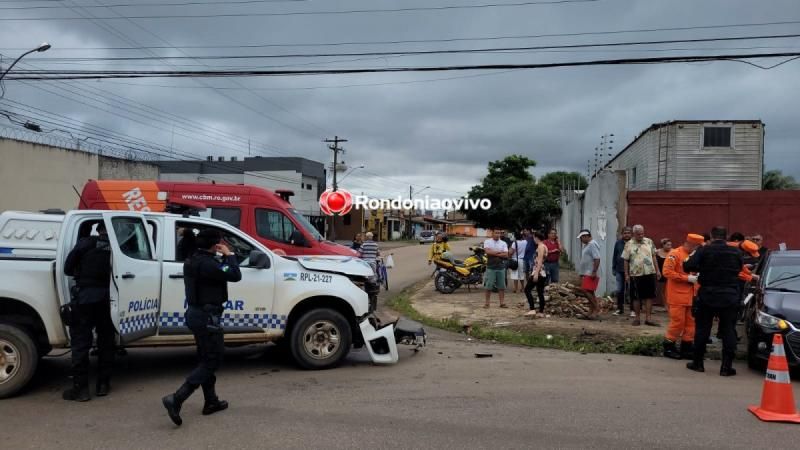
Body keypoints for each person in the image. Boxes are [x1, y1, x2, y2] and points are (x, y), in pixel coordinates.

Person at [163, 229, 242, 426]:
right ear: (215, 245)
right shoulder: (208, 264)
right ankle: (177, 398)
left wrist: (223, 257)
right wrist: (229, 255)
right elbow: (234, 274)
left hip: (196, 314)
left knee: (206, 358)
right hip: (207, 317)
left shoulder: (193, 259)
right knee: (212, 361)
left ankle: (211, 402)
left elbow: (220, 272)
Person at [684, 226, 753, 376]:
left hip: (708, 294)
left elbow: (688, 266)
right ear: (726, 236)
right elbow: (740, 268)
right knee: (728, 330)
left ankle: (698, 363)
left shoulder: (704, 250)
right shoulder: (736, 251)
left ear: (711, 236)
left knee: (702, 329)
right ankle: (726, 367)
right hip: (729, 295)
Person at [62, 221, 115, 401]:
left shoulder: (85, 243)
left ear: (98, 230)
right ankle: (103, 385)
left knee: (81, 344)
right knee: (106, 342)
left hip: (85, 299)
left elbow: (67, 269)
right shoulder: (119, 245)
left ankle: (81, 389)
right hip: (109, 299)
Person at [661, 234, 704, 359]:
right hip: (677, 296)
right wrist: (687, 278)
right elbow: (667, 272)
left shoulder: (696, 256)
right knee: (677, 323)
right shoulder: (675, 254)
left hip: (692, 296)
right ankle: (669, 347)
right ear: (690, 244)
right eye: (697, 247)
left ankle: (687, 348)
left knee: (691, 324)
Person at [623, 224, 661, 326]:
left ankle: (648, 318)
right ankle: (637, 318)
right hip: (635, 274)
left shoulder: (649, 241)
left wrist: (657, 271)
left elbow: (653, 257)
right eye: (638, 234)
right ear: (634, 234)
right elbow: (626, 260)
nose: (641, 235)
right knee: (636, 297)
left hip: (649, 272)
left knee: (649, 296)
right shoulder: (628, 244)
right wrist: (626, 274)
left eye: (642, 233)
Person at [577, 229, 601, 319]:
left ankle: (596, 309)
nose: (581, 240)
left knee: (586, 290)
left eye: (581, 238)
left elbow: (597, 258)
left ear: (586, 236)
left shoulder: (592, 244)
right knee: (589, 291)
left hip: (590, 272)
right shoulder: (587, 245)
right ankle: (591, 311)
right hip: (586, 272)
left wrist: (594, 271)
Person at [524, 231, 548, 317]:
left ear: (536, 237)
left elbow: (540, 260)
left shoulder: (541, 246)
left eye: (534, 238)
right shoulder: (544, 246)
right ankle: (541, 312)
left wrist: (536, 273)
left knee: (527, 289)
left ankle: (532, 309)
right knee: (540, 292)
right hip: (542, 271)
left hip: (539, 271)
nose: (533, 239)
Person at [483, 229, 509, 308]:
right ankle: (487, 303)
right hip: (491, 267)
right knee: (489, 286)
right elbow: (487, 252)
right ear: (492, 233)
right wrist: (499, 253)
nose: (498, 234)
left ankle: (502, 303)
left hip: (501, 267)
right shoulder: (487, 241)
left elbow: (506, 255)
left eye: (499, 233)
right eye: (496, 233)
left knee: (501, 286)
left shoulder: (503, 243)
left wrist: (494, 253)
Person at [612, 227, 633, 316]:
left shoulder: (633, 243)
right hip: (619, 270)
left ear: (631, 234)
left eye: (628, 233)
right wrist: (613, 268)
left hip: (631, 271)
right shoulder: (618, 243)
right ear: (622, 234)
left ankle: (633, 310)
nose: (626, 234)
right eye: (625, 233)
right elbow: (615, 255)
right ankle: (620, 309)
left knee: (631, 290)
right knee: (619, 290)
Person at [655, 238, 673, 307]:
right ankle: (665, 304)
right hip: (661, 273)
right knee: (662, 289)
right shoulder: (657, 252)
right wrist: (657, 271)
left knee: (669, 289)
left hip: (669, 273)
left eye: (670, 245)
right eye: (668, 245)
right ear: (663, 245)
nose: (669, 246)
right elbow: (655, 262)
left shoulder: (673, 251)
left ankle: (669, 304)